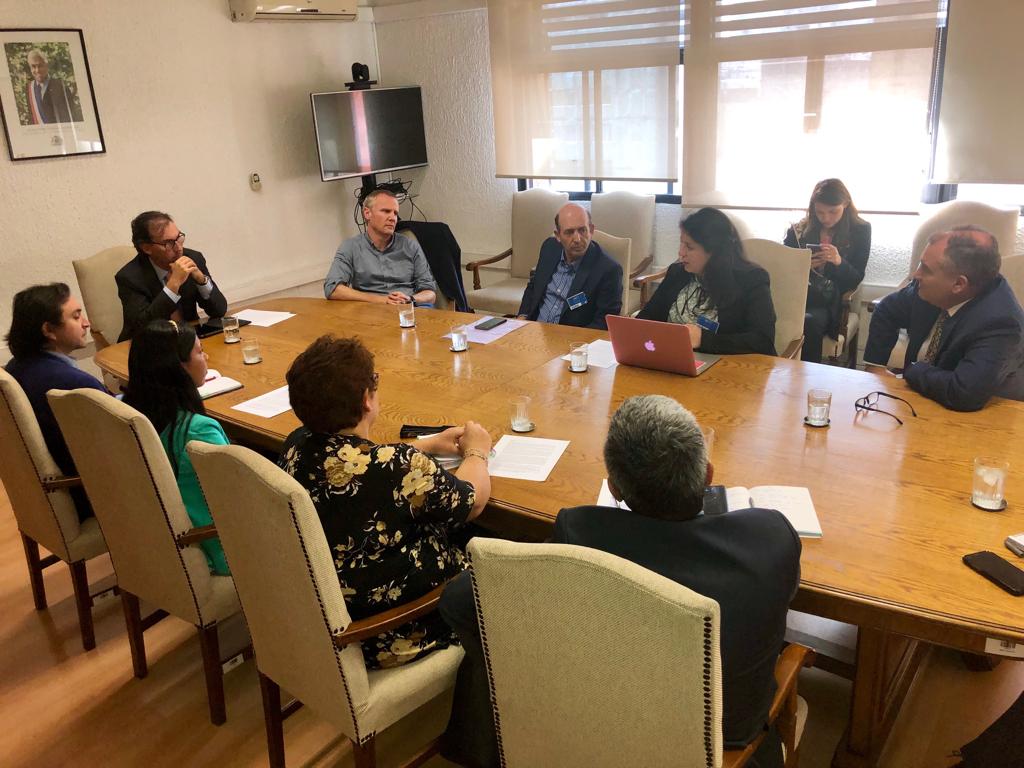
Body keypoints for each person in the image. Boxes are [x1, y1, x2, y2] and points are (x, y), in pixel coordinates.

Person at [439, 395, 801, 768]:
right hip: (725, 748)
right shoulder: (771, 538)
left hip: (587, 738)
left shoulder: (581, 535)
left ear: (614, 488)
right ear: (707, 476)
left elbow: (461, 604)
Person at [278, 335, 491, 669]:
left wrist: (428, 443)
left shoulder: (297, 444)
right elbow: (472, 501)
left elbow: (358, 461)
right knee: (497, 544)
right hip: (395, 627)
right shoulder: (398, 466)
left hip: (329, 615)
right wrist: (477, 450)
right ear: (367, 399)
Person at [864, 226, 1024, 411]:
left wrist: (912, 370)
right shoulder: (931, 288)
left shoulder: (1001, 323)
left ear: (958, 284)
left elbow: (963, 393)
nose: (916, 275)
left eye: (925, 269)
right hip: (925, 395)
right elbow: (887, 309)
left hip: (988, 414)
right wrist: (876, 368)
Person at [122, 320, 231, 575]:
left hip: (157, 543)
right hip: (215, 548)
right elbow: (235, 496)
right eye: (200, 351)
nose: (206, 357)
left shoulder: (130, 414)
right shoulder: (199, 431)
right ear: (179, 367)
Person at [4, 283, 108, 520]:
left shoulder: (16, 367)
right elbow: (125, 440)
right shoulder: (72, 383)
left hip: (51, 495)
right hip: (93, 497)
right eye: (76, 316)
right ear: (49, 330)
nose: (86, 323)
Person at [638, 207, 777, 355]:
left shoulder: (751, 280)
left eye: (689, 247)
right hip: (673, 359)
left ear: (715, 251)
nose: (681, 253)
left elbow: (762, 341)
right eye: (681, 243)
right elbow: (646, 318)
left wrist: (703, 340)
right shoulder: (677, 273)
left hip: (726, 365)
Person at [784, 178, 871, 364]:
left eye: (833, 211)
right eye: (820, 212)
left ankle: (807, 374)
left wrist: (839, 262)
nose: (826, 218)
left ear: (845, 204)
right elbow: (783, 267)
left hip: (828, 300)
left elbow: (856, 278)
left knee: (809, 321)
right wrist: (802, 265)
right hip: (797, 295)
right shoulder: (799, 230)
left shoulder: (860, 230)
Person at [116, 211, 228, 342]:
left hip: (190, 340)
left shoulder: (193, 258)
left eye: (179, 238)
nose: (179, 248)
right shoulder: (129, 277)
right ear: (146, 248)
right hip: (146, 346)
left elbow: (219, 311)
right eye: (168, 243)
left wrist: (201, 281)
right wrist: (173, 285)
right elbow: (144, 326)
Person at [516, 203, 623, 329]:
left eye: (582, 230)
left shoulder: (609, 270)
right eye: (569, 232)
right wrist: (521, 318)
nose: (577, 239)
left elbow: (604, 322)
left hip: (572, 336)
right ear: (558, 235)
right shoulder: (549, 248)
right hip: (534, 330)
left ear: (591, 230)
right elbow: (534, 287)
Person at [324, 189, 437, 305]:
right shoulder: (350, 247)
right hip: (371, 310)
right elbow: (332, 288)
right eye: (386, 211)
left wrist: (410, 299)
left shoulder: (410, 246)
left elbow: (430, 294)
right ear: (367, 213)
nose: (393, 218)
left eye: (395, 213)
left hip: (408, 308)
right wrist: (383, 300)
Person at [24, 49, 78, 124]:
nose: (37, 70)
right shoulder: (29, 88)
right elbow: (32, 118)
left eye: (40, 66)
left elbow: (70, 118)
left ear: (46, 66)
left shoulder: (61, 87)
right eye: (33, 66)